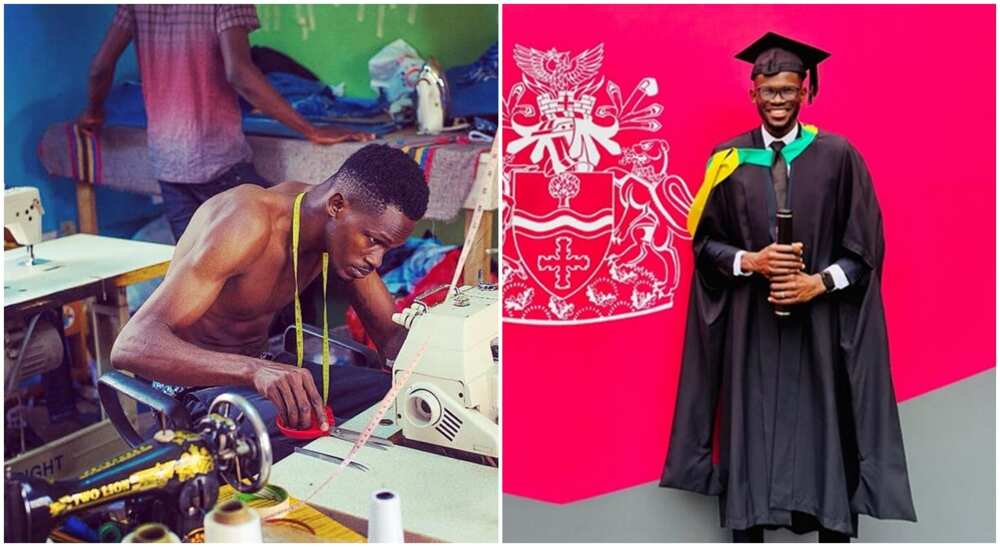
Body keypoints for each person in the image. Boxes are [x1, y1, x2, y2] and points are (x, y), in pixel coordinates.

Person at [659, 32, 916, 542]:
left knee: (827, 448)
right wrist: (749, 261)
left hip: (820, 335)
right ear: (752, 93)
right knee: (749, 447)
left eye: (788, 90)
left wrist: (815, 284)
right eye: (768, 90)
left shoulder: (838, 156)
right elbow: (703, 245)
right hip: (751, 337)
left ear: (806, 91)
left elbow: (866, 251)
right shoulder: (727, 160)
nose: (778, 100)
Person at [110, 144, 428, 458]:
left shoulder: (342, 234)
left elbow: (392, 338)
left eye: (385, 248)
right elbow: (131, 346)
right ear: (336, 206)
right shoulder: (246, 223)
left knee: (401, 402)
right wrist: (255, 371)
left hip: (262, 374)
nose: (377, 260)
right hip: (192, 391)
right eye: (373, 241)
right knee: (298, 449)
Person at [78, 5, 373, 241]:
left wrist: (94, 111)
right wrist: (310, 130)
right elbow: (240, 74)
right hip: (217, 162)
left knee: (200, 274)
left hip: (168, 166)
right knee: (290, 252)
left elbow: (99, 67)